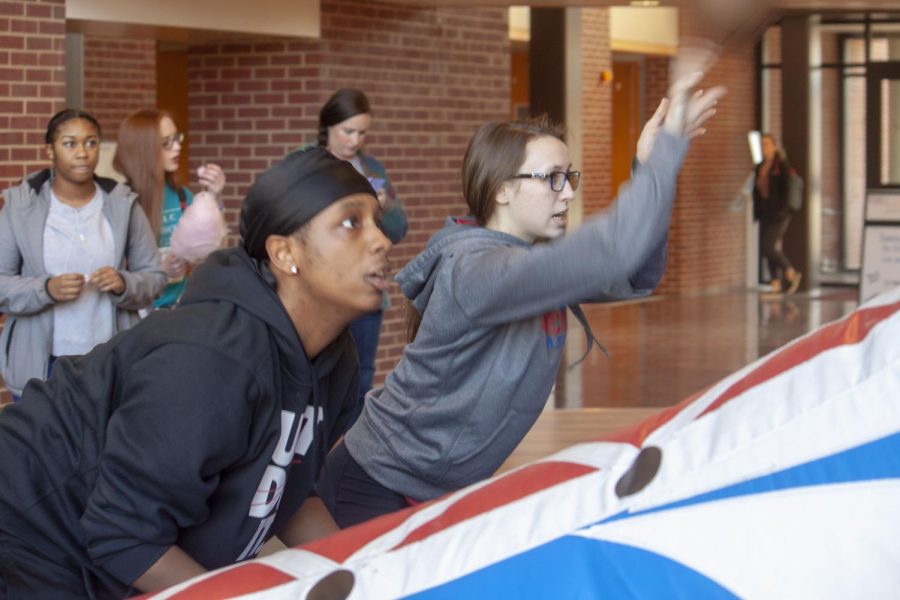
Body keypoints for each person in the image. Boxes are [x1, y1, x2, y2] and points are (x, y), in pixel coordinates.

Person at [318, 59, 726, 528]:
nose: (567, 193)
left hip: (435, 491)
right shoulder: (477, 269)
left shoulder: (526, 262)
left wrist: (652, 168)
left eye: (569, 177)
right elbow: (615, 248)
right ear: (502, 191)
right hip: (373, 486)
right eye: (551, 177)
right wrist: (663, 156)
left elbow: (637, 272)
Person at [0, 147, 392, 597]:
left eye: (377, 222)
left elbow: (287, 489)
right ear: (285, 253)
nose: (381, 241)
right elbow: (124, 534)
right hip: (28, 526)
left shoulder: (334, 359)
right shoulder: (213, 360)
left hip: (108, 543)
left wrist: (370, 575)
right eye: (351, 223)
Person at [0, 109, 166, 403]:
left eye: (91, 143)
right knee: (40, 447)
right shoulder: (19, 206)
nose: (82, 153)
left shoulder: (122, 204)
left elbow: (154, 278)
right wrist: (46, 289)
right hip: (41, 364)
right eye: (70, 143)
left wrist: (123, 283)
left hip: (109, 360)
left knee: (103, 447)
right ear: (50, 149)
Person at [314, 88, 408, 409]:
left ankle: (351, 452)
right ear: (328, 125)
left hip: (369, 286)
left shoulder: (373, 171)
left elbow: (398, 230)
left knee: (361, 375)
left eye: (362, 133)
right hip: (320, 289)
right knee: (319, 373)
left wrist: (386, 206)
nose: (354, 140)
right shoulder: (307, 163)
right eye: (348, 131)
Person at [113, 109, 227, 309]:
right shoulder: (121, 202)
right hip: (139, 315)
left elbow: (218, 251)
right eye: (166, 143)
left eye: (177, 139)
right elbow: (114, 275)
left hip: (180, 309)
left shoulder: (182, 196)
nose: (177, 148)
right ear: (143, 149)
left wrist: (214, 197)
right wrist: (159, 271)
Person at [753, 133, 802, 295]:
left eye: (767, 144)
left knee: (768, 245)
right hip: (765, 213)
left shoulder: (781, 166)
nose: (764, 147)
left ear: (775, 146)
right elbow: (757, 191)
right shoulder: (759, 166)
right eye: (762, 144)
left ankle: (790, 272)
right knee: (766, 247)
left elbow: (787, 190)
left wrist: (783, 210)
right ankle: (776, 284)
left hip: (779, 214)